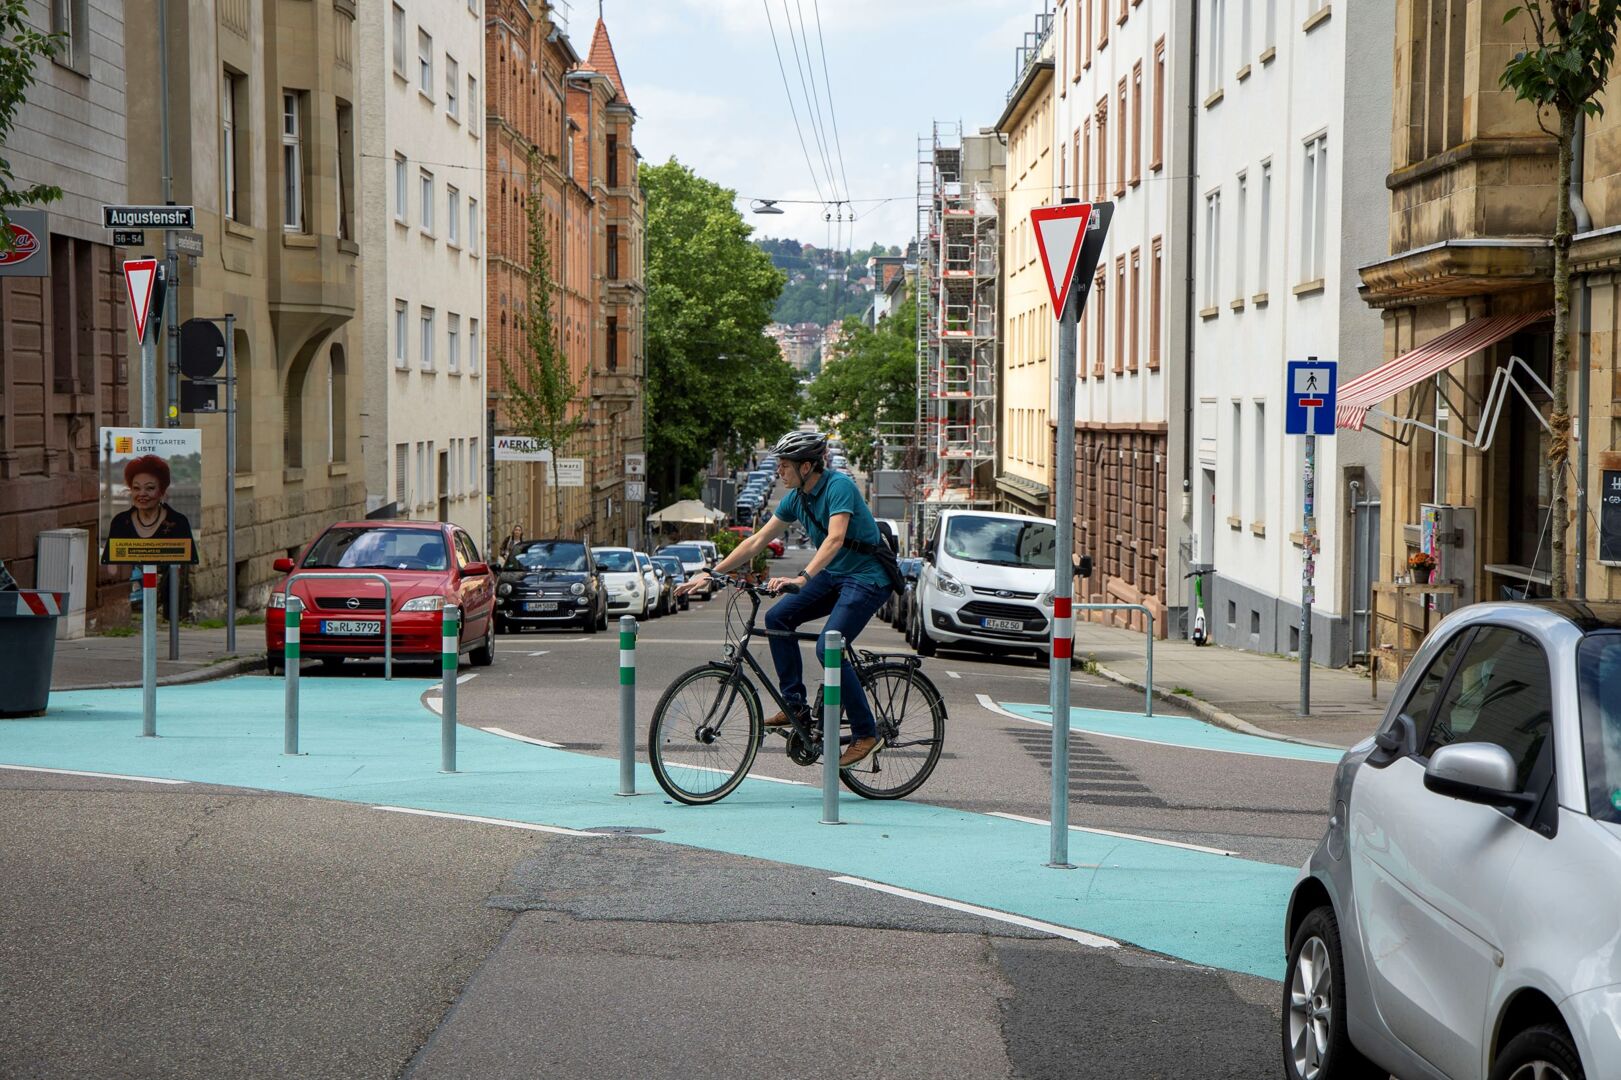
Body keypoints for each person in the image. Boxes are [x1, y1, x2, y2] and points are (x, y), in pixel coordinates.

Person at [677, 430, 892, 768]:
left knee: (828, 647)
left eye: (785, 465)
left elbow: (835, 539)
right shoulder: (797, 498)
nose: (779, 470)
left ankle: (866, 733)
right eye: (778, 464)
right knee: (778, 619)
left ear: (807, 466)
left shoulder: (839, 488)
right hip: (836, 575)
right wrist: (711, 573)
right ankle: (796, 707)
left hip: (867, 578)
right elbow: (757, 540)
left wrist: (802, 578)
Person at [103, 454, 195, 562]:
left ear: (162, 491)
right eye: (136, 488)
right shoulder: (120, 522)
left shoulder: (179, 523)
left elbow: (188, 564)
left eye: (150, 488)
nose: (142, 493)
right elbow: (110, 562)